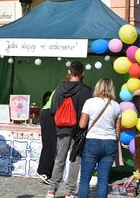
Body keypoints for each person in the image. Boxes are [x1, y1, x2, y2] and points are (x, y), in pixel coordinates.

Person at [46, 61, 91, 198]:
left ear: (69, 72)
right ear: (82, 73)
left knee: (59, 159)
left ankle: (52, 190)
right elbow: (87, 113)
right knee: (75, 161)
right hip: (78, 131)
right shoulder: (86, 91)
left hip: (61, 129)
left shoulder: (59, 89)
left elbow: (53, 109)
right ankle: (69, 192)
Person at [77, 78, 121, 198]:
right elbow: (118, 129)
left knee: (85, 178)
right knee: (103, 179)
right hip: (110, 142)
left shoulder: (90, 102)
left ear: (98, 87)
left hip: (92, 141)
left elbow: (82, 124)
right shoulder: (116, 106)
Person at [36, 90, 57, 184]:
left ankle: (47, 172)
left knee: (51, 144)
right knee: (50, 144)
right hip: (49, 114)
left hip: (49, 113)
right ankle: (43, 172)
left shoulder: (64, 88)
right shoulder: (63, 88)